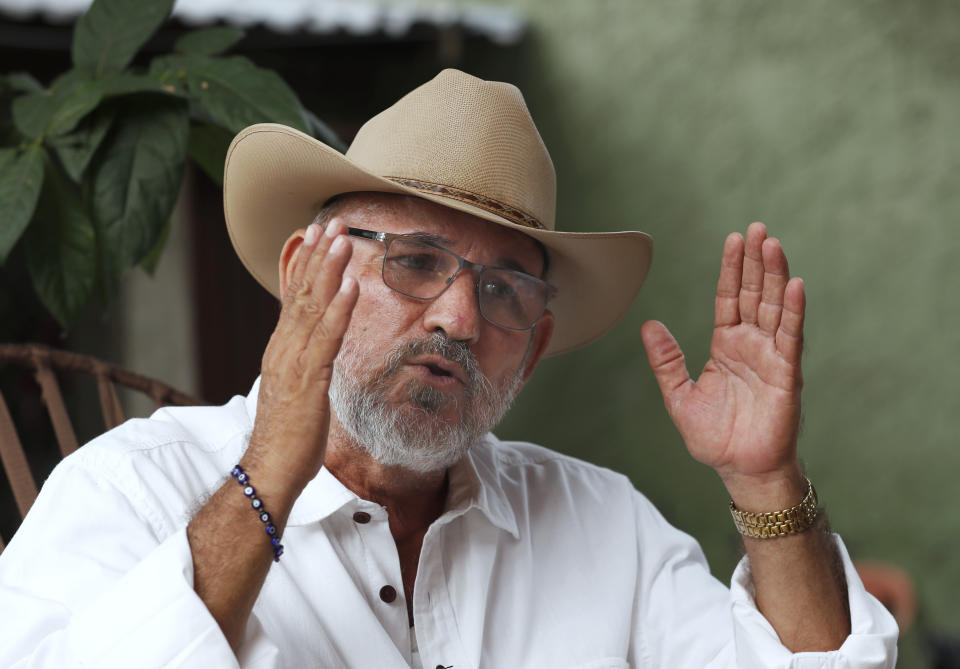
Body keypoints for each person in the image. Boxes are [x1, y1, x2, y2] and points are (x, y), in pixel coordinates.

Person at [0, 69, 896, 668]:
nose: (461, 317)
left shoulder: (604, 526)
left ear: (535, 345)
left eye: (505, 290)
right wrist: (271, 468)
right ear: (305, 273)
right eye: (415, 260)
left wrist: (762, 478)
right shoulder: (132, 491)